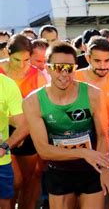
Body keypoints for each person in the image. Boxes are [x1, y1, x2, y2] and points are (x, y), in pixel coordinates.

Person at [23, 42, 109, 209]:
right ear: (48, 68)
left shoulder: (93, 94)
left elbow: (102, 135)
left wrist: (105, 169)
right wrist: (83, 152)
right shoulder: (33, 101)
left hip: (91, 167)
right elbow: (43, 150)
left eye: (69, 68)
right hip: (59, 169)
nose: (64, 74)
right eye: (58, 67)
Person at [75, 36, 109, 209]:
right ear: (87, 57)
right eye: (97, 60)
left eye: (107, 60)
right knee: (79, 197)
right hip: (79, 144)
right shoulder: (75, 79)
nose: (103, 65)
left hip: (108, 141)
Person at [0, 34, 47, 209]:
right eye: (16, 59)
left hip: (29, 132)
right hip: (5, 132)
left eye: (26, 60)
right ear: (7, 52)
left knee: (30, 179)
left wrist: (24, 129)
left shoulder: (38, 76)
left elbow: (41, 110)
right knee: (15, 181)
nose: (21, 65)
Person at [0, 74, 29, 209]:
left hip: (1, 162)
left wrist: (5, 146)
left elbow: (24, 125)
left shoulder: (7, 84)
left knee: (4, 202)